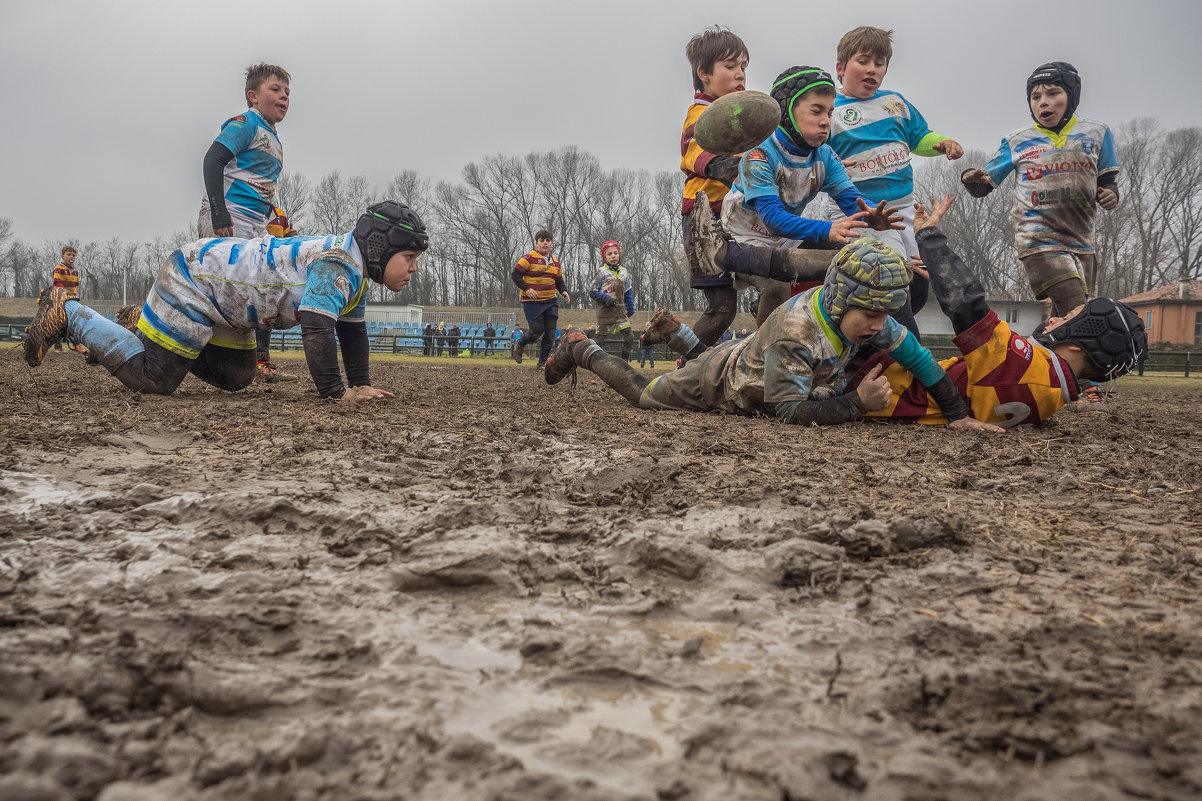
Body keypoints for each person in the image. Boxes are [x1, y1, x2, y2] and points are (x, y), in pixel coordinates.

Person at [543, 236, 997, 432]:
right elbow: (788, 414)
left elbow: (920, 360)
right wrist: (858, 404)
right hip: (719, 384)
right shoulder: (798, 334)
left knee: (738, 359)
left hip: (752, 361)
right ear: (842, 301)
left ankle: (675, 333)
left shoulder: (867, 314)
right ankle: (582, 348)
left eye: (885, 314)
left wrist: (957, 416)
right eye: (872, 316)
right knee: (642, 393)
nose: (881, 326)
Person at [24, 202, 429, 401]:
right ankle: (70, 311)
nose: (413, 269)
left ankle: (142, 326)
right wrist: (337, 393)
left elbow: (351, 332)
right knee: (156, 381)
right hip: (196, 278)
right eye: (409, 258)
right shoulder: (337, 264)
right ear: (379, 247)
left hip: (228, 305)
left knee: (237, 376)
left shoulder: (353, 272)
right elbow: (318, 328)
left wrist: (361, 384)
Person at [849, 196, 1145, 426]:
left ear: (1078, 345)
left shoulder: (1025, 366)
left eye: (1065, 318)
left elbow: (965, 302)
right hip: (898, 392)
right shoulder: (1051, 397)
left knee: (889, 277)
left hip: (877, 378)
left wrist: (928, 236)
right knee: (912, 287)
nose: (1053, 318)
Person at [693, 66, 902, 328]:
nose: (826, 120)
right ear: (786, 112)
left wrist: (872, 214)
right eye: (816, 111)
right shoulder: (759, 155)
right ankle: (763, 352)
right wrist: (827, 230)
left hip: (786, 242)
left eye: (829, 112)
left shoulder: (826, 156)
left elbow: (852, 202)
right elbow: (774, 220)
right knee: (777, 287)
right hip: (742, 241)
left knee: (852, 263)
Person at [826, 27, 964, 337]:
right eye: (864, 61)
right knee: (890, 278)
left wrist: (941, 142)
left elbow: (918, 136)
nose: (873, 69)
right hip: (862, 212)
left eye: (880, 62)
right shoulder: (831, 109)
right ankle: (907, 350)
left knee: (919, 284)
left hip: (904, 208)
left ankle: (878, 334)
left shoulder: (894, 102)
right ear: (841, 68)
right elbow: (815, 153)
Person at [960, 63, 1117, 318]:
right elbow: (982, 186)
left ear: (1071, 97)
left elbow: (1108, 179)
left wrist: (1111, 194)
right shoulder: (1017, 140)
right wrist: (969, 177)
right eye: (1036, 97)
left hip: (1083, 242)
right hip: (1038, 241)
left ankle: (1033, 352)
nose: (1043, 102)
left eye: (1053, 93)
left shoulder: (1098, 132)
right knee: (1078, 314)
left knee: (1061, 322)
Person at [198, 63, 297, 384]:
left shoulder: (275, 140)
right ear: (252, 96)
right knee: (220, 295)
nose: (283, 96)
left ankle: (255, 364)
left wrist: (277, 220)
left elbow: (260, 187)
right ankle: (144, 327)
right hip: (229, 222)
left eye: (287, 92)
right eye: (275, 89)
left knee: (260, 291)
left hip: (253, 227)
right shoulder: (247, 124)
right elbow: (212, 160)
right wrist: (218, 212)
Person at [680, 26, 750, 348]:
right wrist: (732, 167)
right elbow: (697, 152)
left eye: (744, 67)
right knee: (722, 310)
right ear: (704, 73)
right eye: (731, 66)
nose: (740, 74)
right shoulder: (701, 113)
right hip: (704, 217)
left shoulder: (741, 114)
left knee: (775, 283)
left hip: (741, 214)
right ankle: (685, 367)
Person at [511, 230, 570, 367]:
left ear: (551, 243)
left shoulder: (555, 262)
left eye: (547, 240)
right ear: (536, 243)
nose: (545, 243)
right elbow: (515, 275)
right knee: (536, 331)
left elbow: (559, 280)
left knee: (550, 333)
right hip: (532, 302)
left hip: (550, 301)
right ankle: (520, 344)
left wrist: (564, 291)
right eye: (542, 240)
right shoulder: (528, 258)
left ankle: (542, 363)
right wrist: (527, 288)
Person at [589, 240, 636, 361]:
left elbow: (628, 292)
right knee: (599, 340)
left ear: (619, 255)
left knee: (629, 337)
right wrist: (605, 298)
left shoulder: (624, 273)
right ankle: (598, 362)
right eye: (609, 254)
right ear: (605, 257)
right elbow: (592, 291)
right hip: (605, 312)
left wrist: (630, 308)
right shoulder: (601, 272)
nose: (613, 256)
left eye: (616, 253)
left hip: (620, 312)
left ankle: (624, 362)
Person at [51, 246, 84, 353]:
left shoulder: (75, 271)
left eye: (73, 255)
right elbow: (58, 283)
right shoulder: (58, 269)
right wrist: (65, 295)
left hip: (72, 300)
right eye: (68, 254)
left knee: (75, 323)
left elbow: (74, 286)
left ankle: (77, 345)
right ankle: (58, 347)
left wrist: (74, 298)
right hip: (61, 300)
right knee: (59, 323)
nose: (71, 257)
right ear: (63, 256)